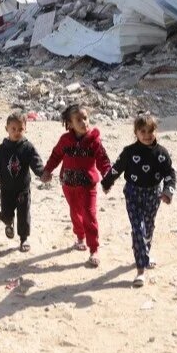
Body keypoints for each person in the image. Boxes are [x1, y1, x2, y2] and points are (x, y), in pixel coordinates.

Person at [101, 113, 175, 287]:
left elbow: (169, 173)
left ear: (156, 131)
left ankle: (144, 251)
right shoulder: (129, 152)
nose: (147, 135)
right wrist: (106, 182)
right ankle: (140, 269)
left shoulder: (161, 153)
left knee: (148, 228)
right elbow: (117, 168)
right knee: (137, 229)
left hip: (153, 195)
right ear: (136, 132)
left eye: (151, 131)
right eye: (143, 131)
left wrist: (168, 191)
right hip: (133, 194)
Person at [41, 104, 111, 268]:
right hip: (68, 183)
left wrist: (108, 178)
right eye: (78, 120)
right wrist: (47, 170)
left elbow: (104, 161)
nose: (83, 122)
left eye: (85, 118)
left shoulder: (94, 141)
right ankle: (80, 236)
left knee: (89, 214)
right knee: (75, 212)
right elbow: (56, 155)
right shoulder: (65, 140)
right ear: (70, 124)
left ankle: (94, 249)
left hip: (88, 185)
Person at [0, 111, 44, 252]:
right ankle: (8, 223)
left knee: (24, 215)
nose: (17, 132)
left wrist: (42, 174)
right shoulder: (0, 150)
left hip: (23, 189)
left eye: (20, 129)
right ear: (6, 129)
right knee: (6, 213)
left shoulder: (28, 148)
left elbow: (36, 163)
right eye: (13, 129)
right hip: (6, 190)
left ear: (25, 129)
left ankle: (24, 239)